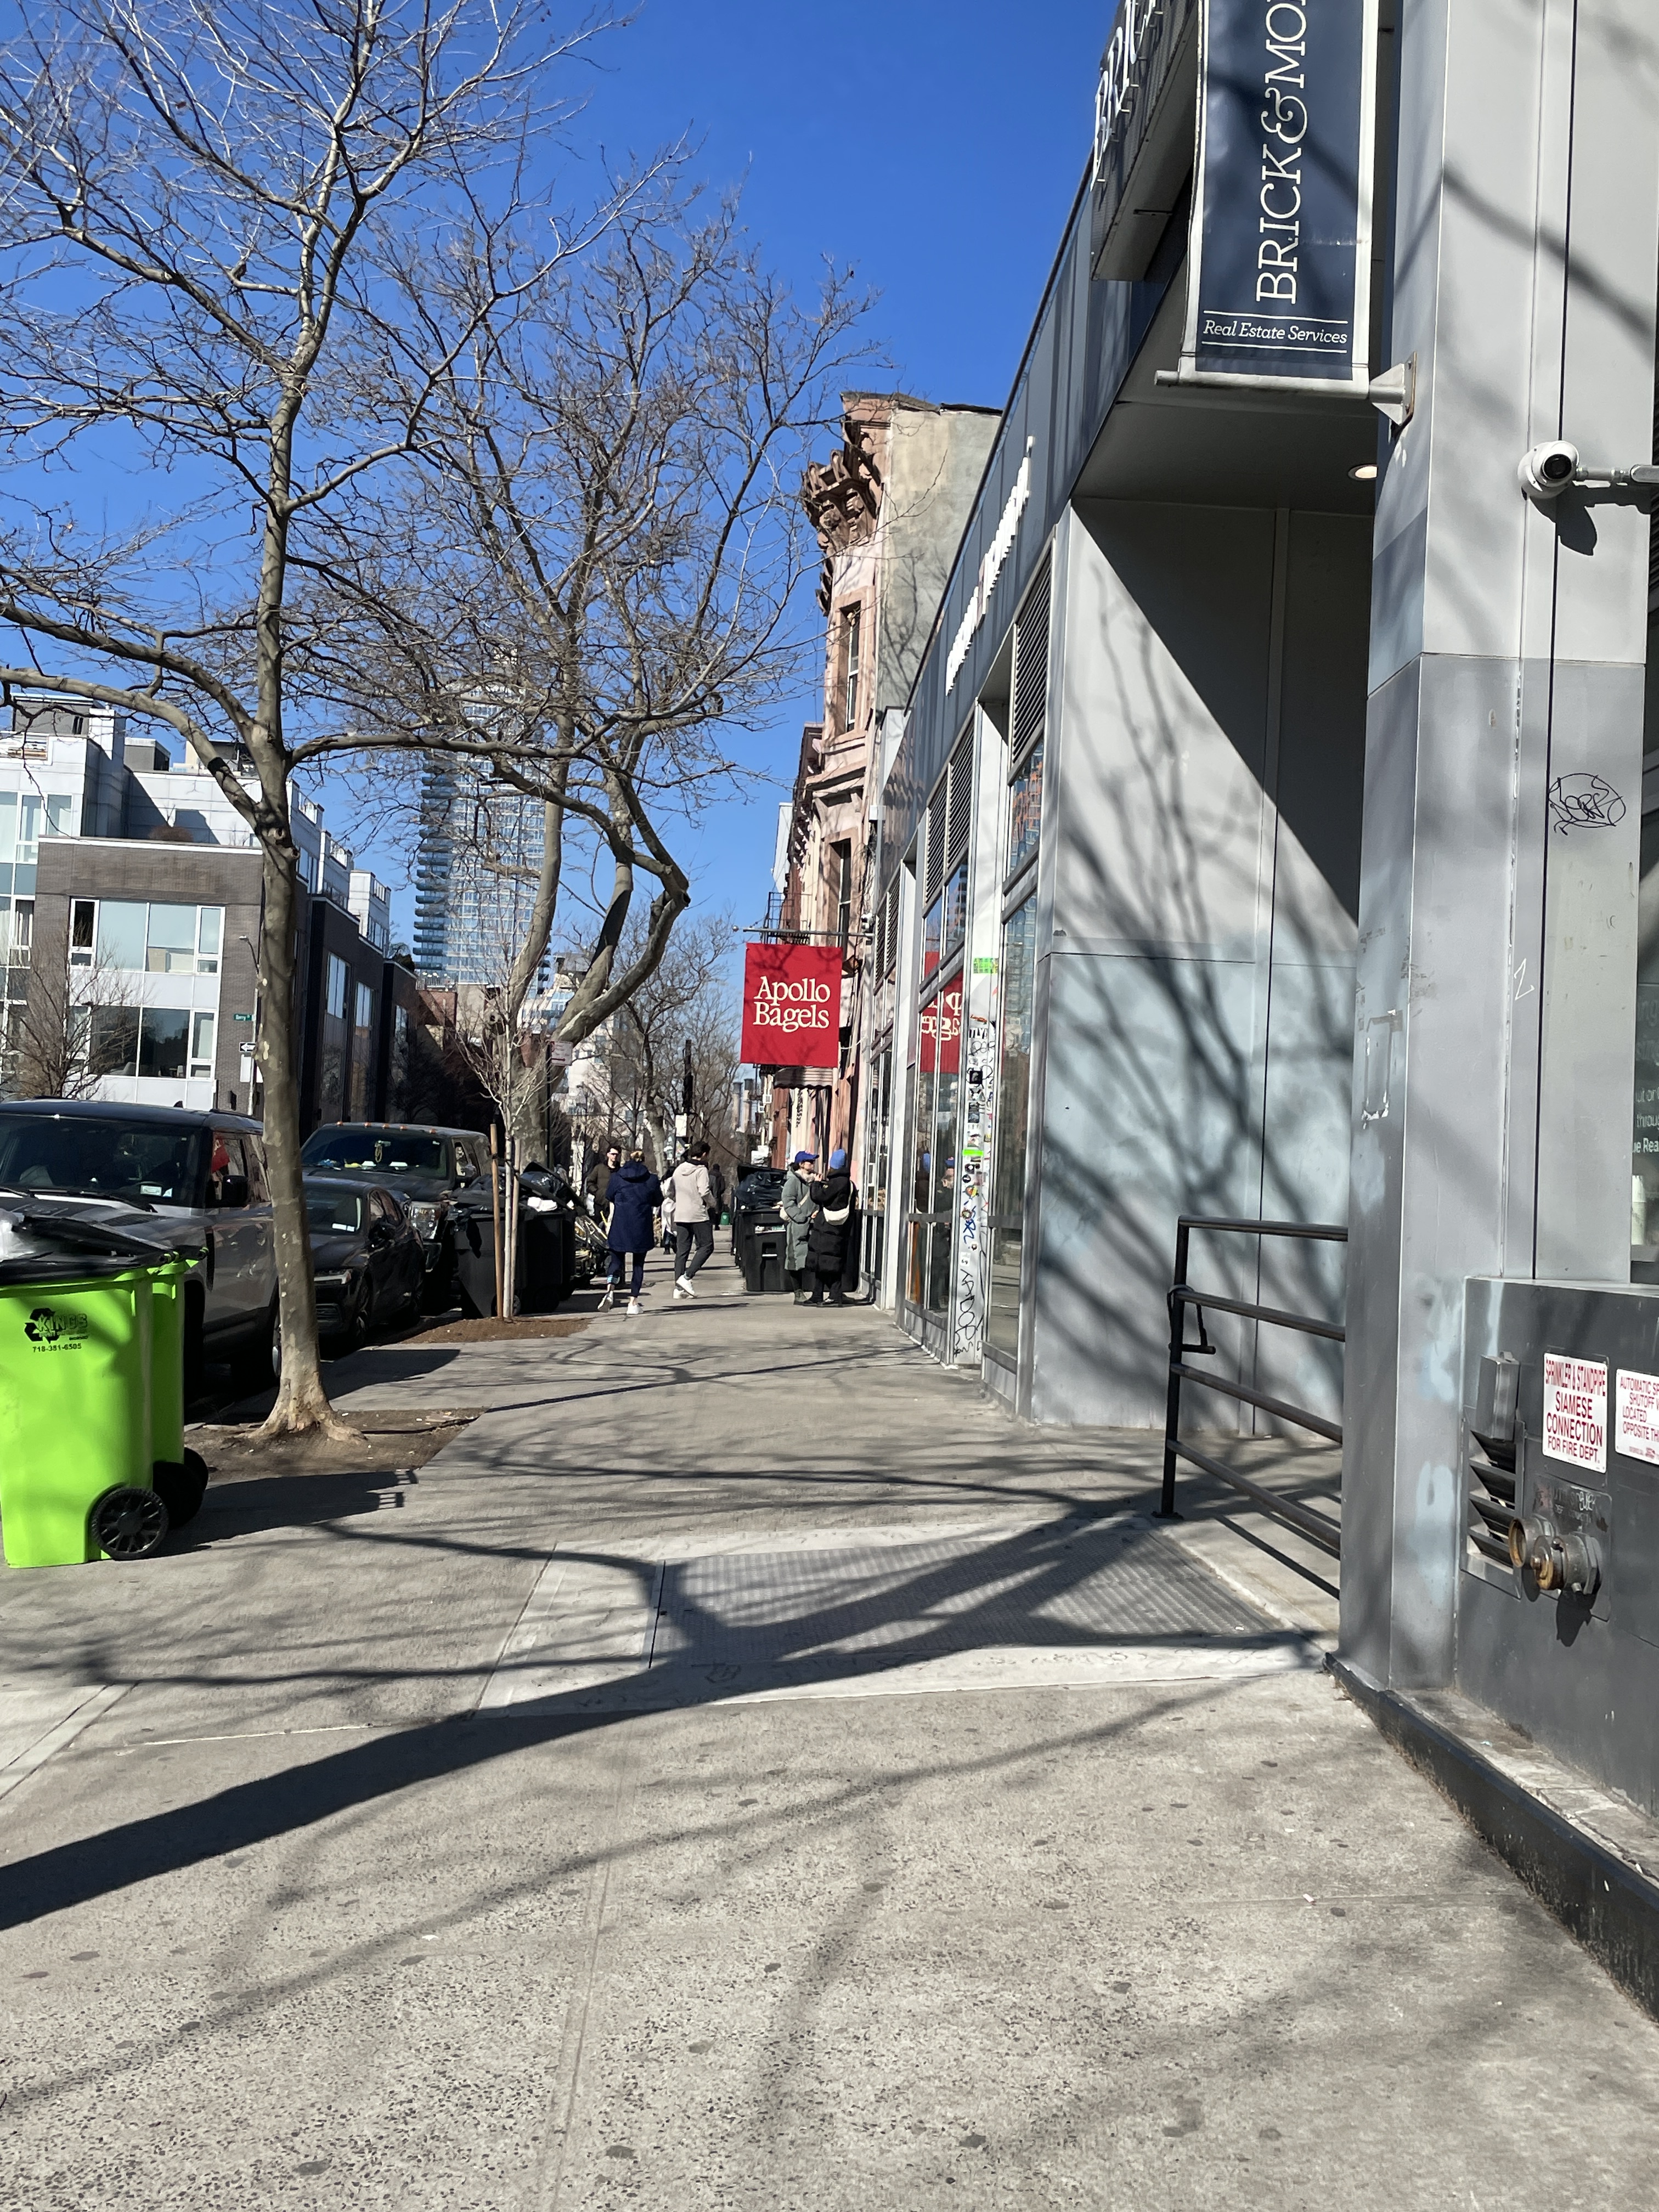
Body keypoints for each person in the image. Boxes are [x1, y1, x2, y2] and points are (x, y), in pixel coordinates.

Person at [600, 1149, 662, 1317]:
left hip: (620, 1224)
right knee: (638, 1265)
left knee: (616, 1262)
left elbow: (609, 1196)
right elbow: (658, 1200)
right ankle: (633, 1302)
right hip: (641, 1226)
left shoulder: (617, 1177)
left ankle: (610, 1291)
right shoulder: (651, 1179)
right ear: (643, 1161)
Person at [805, 1148, 855, 1307]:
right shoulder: (847, 1183)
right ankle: (818, 1294)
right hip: (835, 1228)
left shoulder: (837, 1182)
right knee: (824, 1262)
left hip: (829, 1229)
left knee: (830, 1263)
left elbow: (818, 1197)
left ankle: (834, 1296)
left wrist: (816, 1184)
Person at [668, 1141, 715, 1299]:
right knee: (707, 1246)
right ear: (704, 1154)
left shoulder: (679, 1169)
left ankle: (678, 1288)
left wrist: (679, 1201)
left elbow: (670, 1191)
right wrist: (713, 1203)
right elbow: (704, 1191)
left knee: (682, 1251)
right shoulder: (701, 1170)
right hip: (697, 1214)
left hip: (681, 1213)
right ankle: (687, 1277)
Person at [780, 1148, 816, 1302]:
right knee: (795, 1258)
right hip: (798, 1226)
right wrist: (801, 1218)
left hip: (813, 1225)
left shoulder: (814, 1181)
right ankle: (798, 1292)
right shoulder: (793, 1181)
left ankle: (815, 1291)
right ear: (801, 1164)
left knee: (811, 1258)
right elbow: (788, 1201)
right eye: (810, 1162)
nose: (813, 1164)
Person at [585, 1142, 622, 1217]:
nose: (615, 1156)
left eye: (617, 1155)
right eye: (613, 1154)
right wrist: (597, 1192)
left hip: (615, 1204)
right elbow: (590, 1182)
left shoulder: (621, 1171)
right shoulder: (599, 1168)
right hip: (600, 1202)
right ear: (608, 1155)